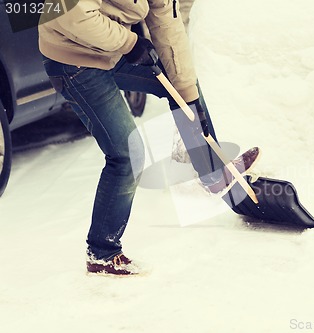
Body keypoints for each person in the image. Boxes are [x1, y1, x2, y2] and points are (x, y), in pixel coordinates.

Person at [38, 0, 260, 276]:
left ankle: (212, 173)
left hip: (109, 47)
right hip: (72, 58)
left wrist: (190, 101)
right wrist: (131, 44)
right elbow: (71, 15)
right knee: (127, 155)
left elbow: (168, 26)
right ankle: (102, 253)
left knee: (182, 88)